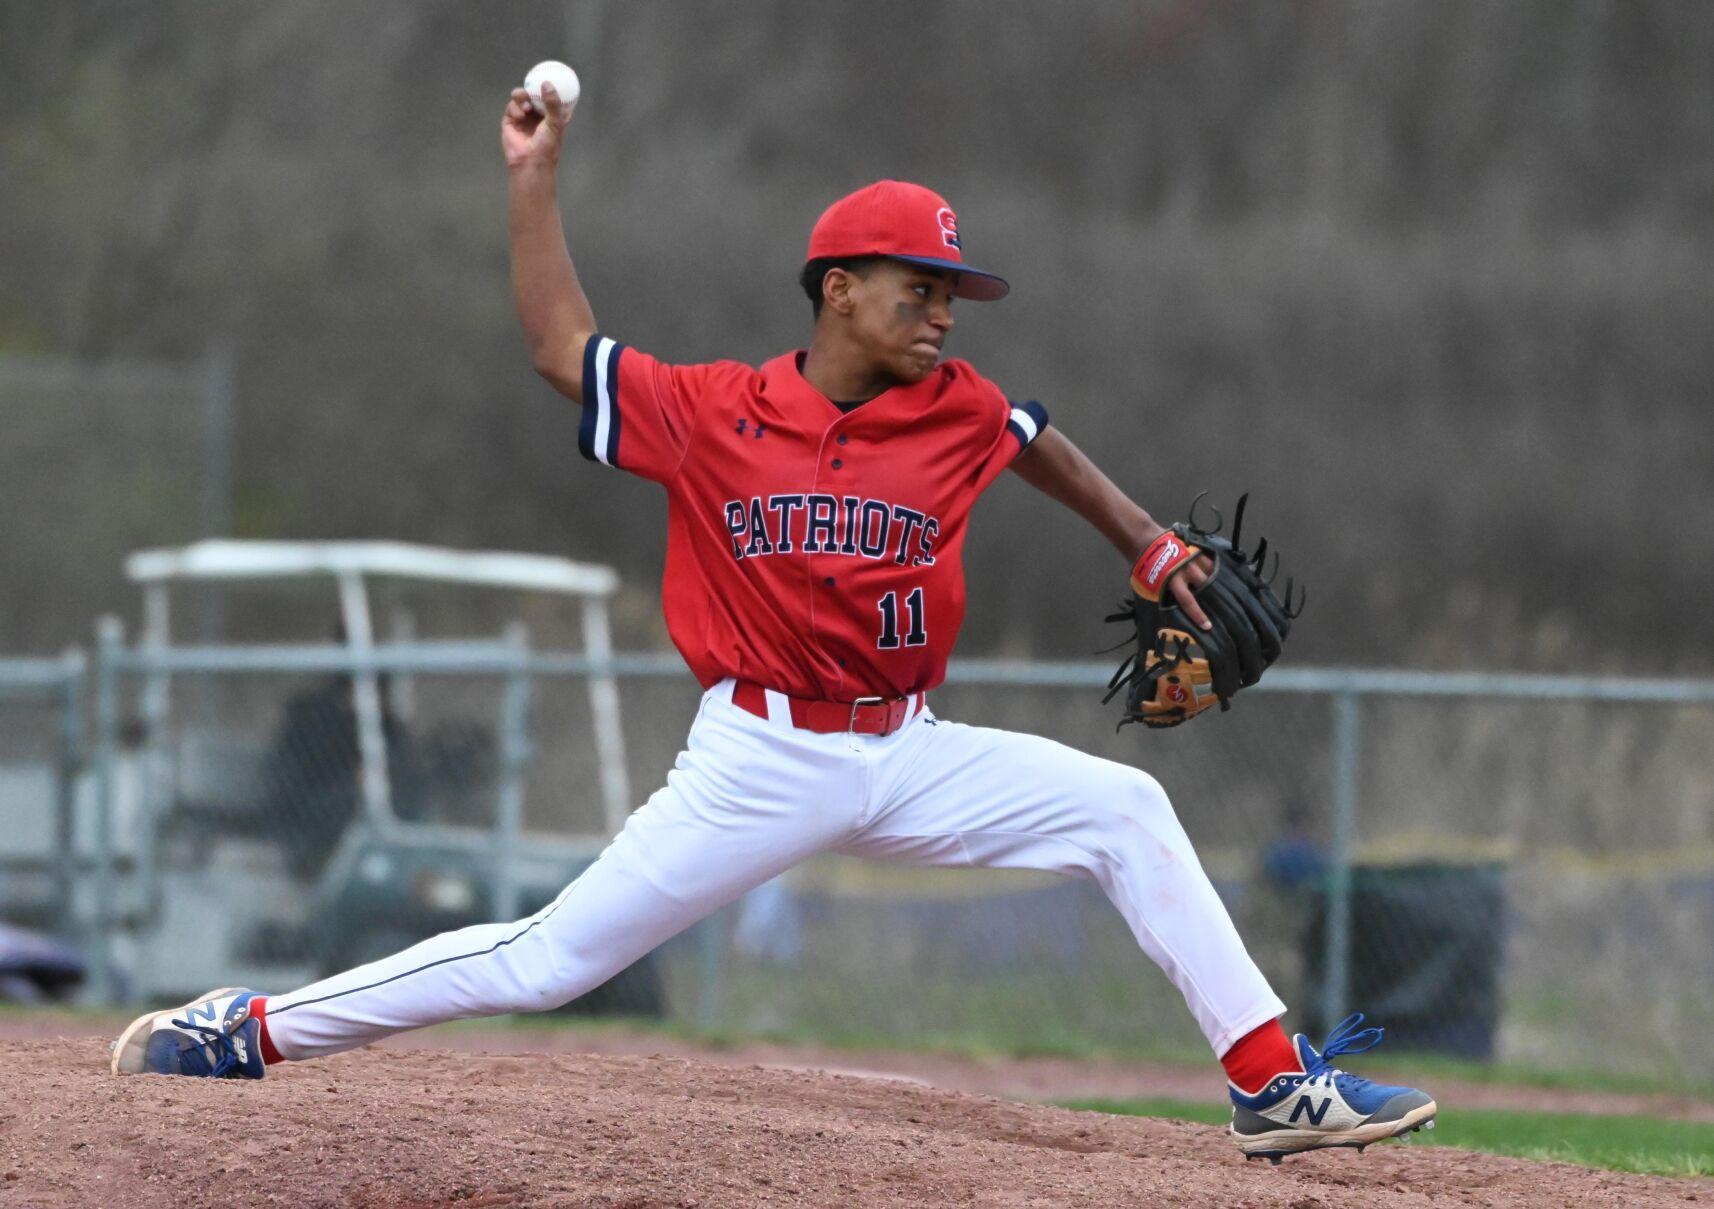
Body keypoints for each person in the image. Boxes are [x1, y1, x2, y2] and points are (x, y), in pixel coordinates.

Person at [110, 79, 1435, 1162]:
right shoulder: (713, 414)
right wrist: (532, 178)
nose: (937, 310)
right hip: (759, 757)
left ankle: (1271, 1086)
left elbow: (1041, 444)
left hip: (910, 748)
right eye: (916, 286)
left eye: (948, 293)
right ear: (837, 286)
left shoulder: (956, 405)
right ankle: (254, 1027)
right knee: (544, 958)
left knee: (1124, 812)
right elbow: (561, 349)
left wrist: (1143, 539)